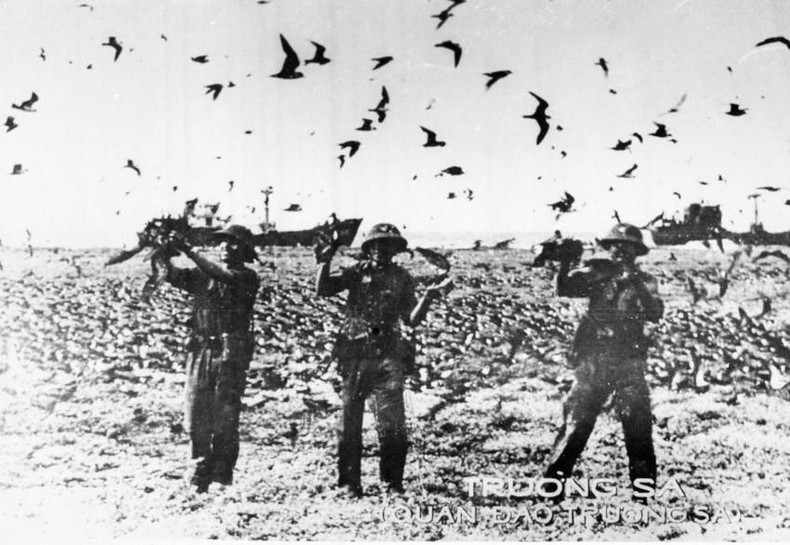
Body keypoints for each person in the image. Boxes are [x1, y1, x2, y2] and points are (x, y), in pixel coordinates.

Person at [315, 223, 448, 496]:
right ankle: (349, 484)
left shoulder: (401, 278)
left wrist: (429, 296)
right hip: (354, 355)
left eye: (388, 245)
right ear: (369, 247)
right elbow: (323, 290)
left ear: (396, 250)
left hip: (388, 355)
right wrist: (324, 262)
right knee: (349, 424)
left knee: (392, 425)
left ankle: (392, 484)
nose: (381, 250)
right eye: (376, 244)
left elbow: (411, 319)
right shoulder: (355, 272)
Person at [544, 223, 664, 498]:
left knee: (637, 429)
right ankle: (552, 489)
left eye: (627, 248)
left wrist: (634, 281)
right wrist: (564, 263)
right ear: (608, 250)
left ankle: (643, 494)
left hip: (628, 362)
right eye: (615, 247)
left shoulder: (646, 282)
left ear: (637, 253)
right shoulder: (596, 274)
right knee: (575, 426)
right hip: (593, 362)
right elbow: (565, 288)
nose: (621, 252)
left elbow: (655, 312)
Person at [159, 224, 260, 493]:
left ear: (246, 250)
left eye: (233, 243)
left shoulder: (247, 277)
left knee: (225, 415)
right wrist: (162, 251)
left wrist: (189, 251)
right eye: (221, 243)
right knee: (196, 413)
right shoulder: (204, 276)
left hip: (230, 353)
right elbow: (169, 275)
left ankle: (221, 476)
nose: (225, 247)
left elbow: (223, 275)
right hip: (200, 350)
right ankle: (200, 472)